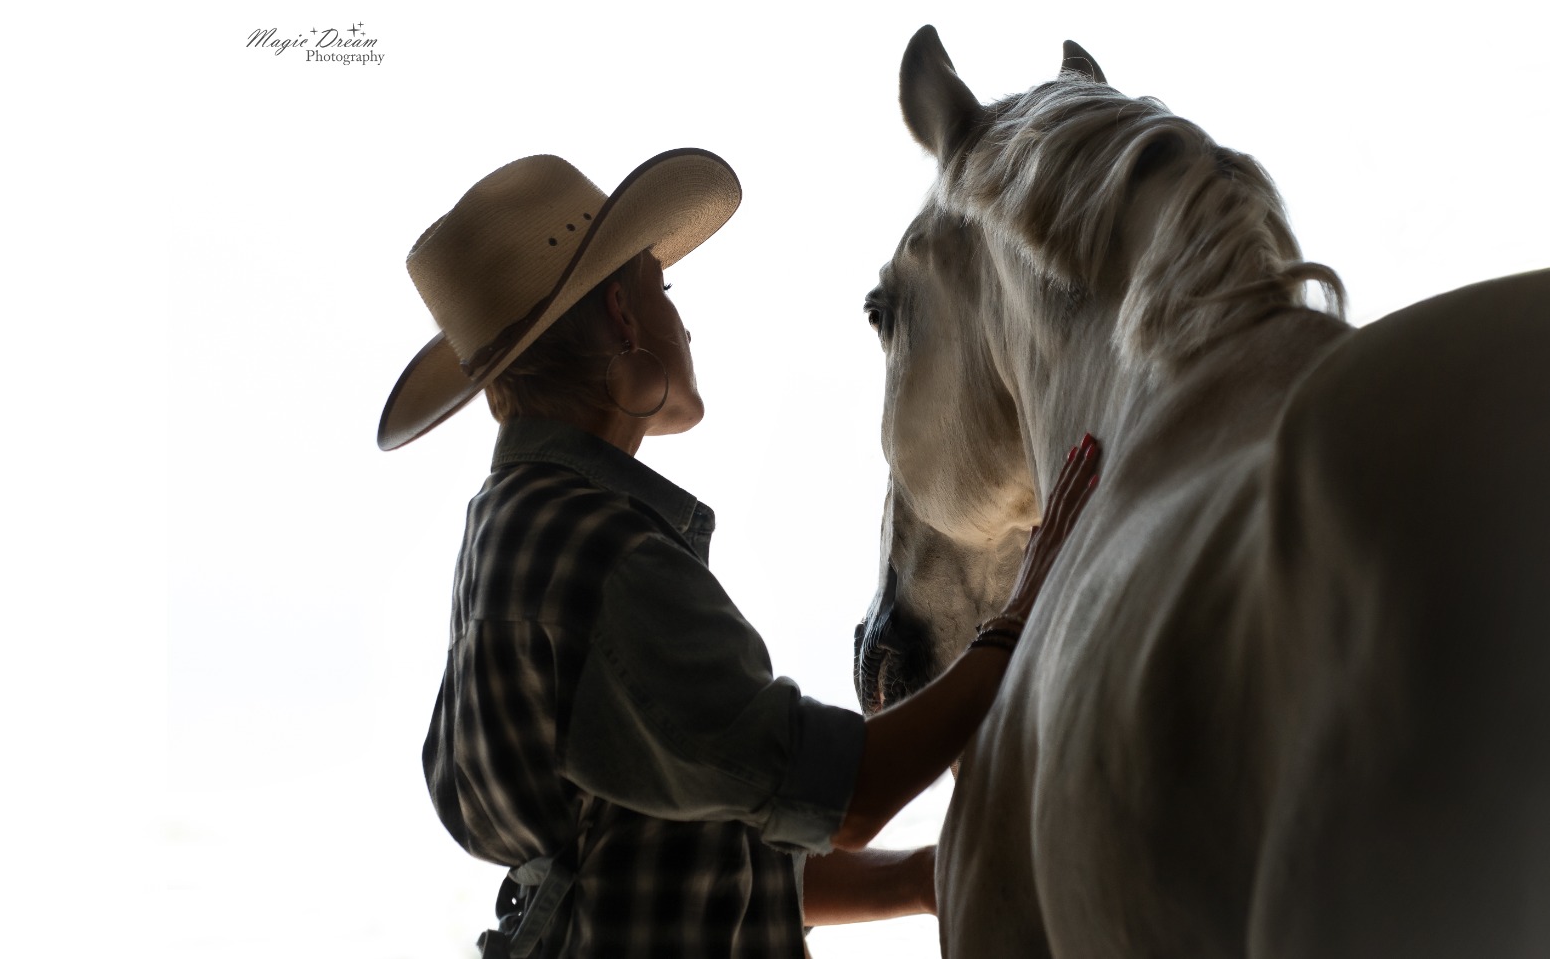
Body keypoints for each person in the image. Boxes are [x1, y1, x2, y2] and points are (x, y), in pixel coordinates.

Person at [379, 149, 1100, 957]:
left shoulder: (515, 533)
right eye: (662, 290)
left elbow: (670, 863)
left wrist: (920, 878)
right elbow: (853, 796)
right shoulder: (604, 553)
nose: (682, 324)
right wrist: (1022, 607)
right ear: (622, 315)